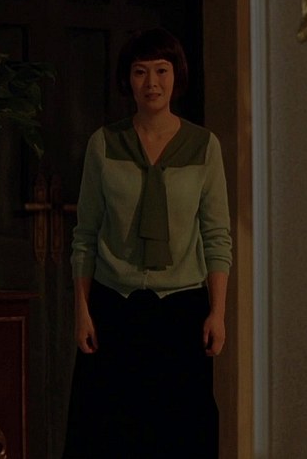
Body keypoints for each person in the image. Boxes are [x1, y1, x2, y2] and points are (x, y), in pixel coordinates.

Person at [62, 27, 232, 458]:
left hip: (181, 311)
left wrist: (218, 312)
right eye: (140, 72)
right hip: (114, 307)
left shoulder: (204, 146)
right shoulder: (104, 144)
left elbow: (216, 235)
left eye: (161, 70)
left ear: (176, 76)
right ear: (128, 79)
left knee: (178, 436)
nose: (151, 82)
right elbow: (85, 234)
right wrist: (82, 310)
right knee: (109, 435)